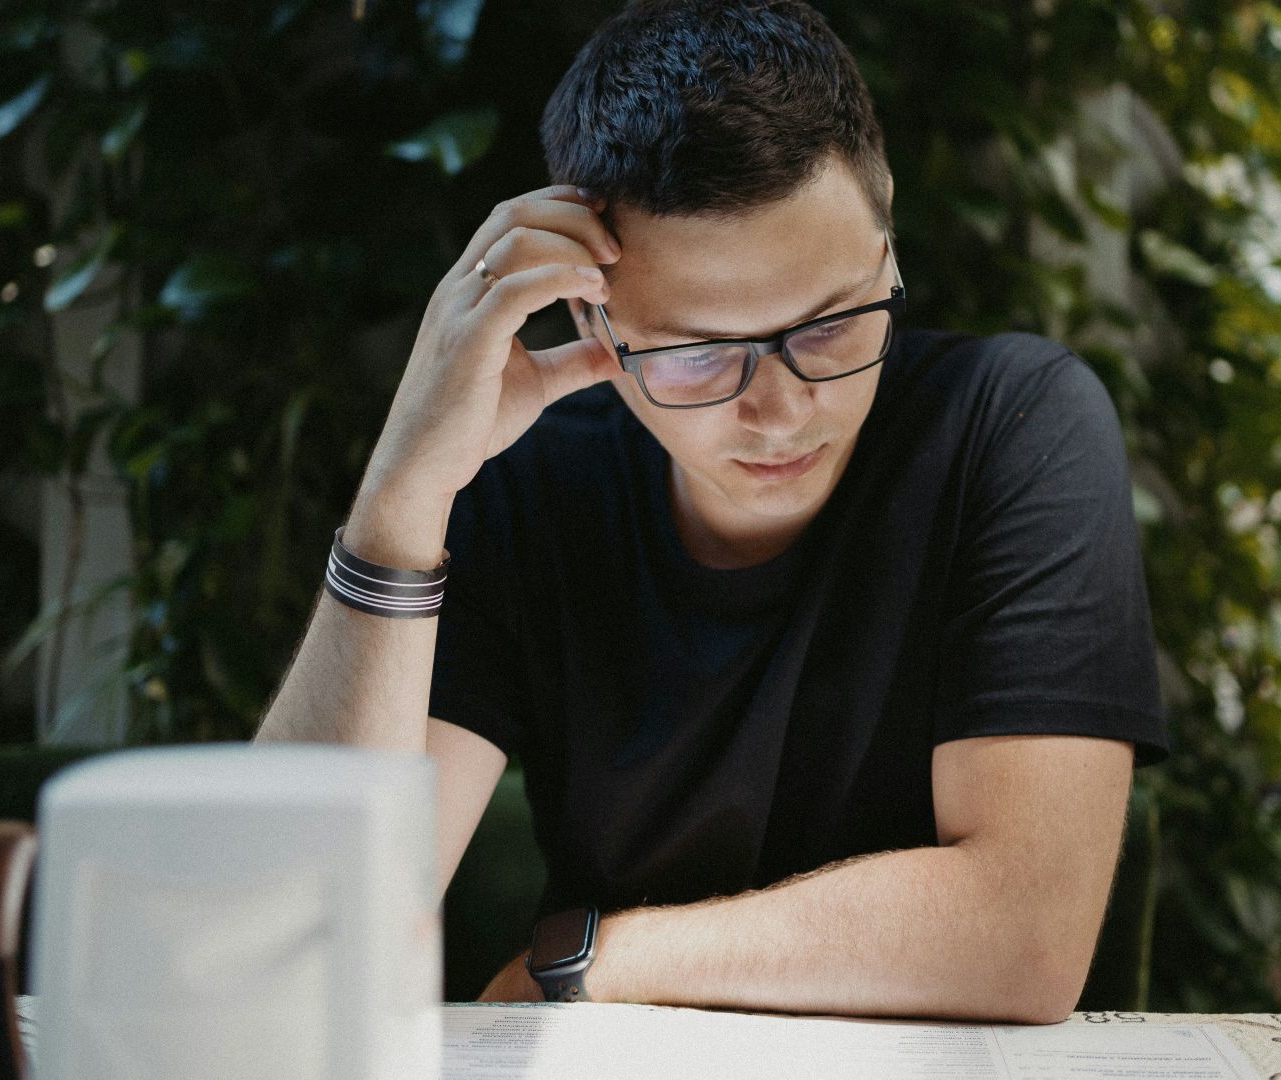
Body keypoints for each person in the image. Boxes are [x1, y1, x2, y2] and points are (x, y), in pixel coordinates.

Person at [256, 0, 1168, 1024]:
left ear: (889, 240)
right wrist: (404, 493)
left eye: (829, 327)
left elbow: (1023, 938)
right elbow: (299, 941)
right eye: (696, 353)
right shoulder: (533, 485)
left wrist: (596, 955)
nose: (779, 411)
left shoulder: (1012, 424)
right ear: (594, 321)